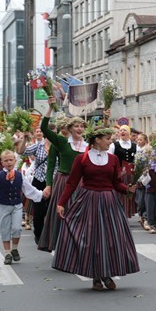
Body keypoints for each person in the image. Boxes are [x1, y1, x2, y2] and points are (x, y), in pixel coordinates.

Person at [54, 126, 140, 290]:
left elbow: (115, 183)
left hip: (109, 201)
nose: (110, 141)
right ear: (97, 140)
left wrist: (127, 189)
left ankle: (107, 274)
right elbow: (72, 182)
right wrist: (61, 203)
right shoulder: (82, 159)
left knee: (110, 239)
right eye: (107, 138)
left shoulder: (113, 159)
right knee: (92, 239)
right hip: (89, 200)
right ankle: (95, 276)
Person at [40, 100, 89, 252]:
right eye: (76, 126)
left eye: (81, 126)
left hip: (82, 183)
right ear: (70, 128)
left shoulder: (89, 145)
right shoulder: (62, 142)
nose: (79, 128)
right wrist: (49, 108)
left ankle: (78, 245)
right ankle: (61, 245)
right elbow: (44, 129)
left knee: (80, 216)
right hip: (64, 181)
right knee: (62, 213)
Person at [20, 128, 49, 243]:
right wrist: (25, 139)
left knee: (52, 209)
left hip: (53, 181)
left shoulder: (58, 145)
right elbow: (22, 151)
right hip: (39, 180)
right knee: (39, 209)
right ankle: (39, 234)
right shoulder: (39, 146)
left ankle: (51, 234)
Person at [109, 125, 137, 218]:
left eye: (125, 130)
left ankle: (128, 212)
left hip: (131, 174)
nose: (122, 132)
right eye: (121, 130)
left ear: (129, 133)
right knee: (120, 193)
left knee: (130, 194)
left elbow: (138, 159)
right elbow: (109, 158)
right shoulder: (114, 145)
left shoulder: (134, 146)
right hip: (119, 174)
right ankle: (119, 212)